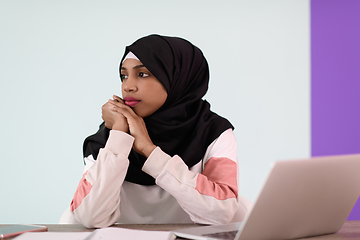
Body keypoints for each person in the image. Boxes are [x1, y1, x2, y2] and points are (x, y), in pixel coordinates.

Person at [66, 34, 251, 228]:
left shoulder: (212, 132)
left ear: (177, 78)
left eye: (143, 74)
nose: (128, 86)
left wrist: (149, 150)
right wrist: (119, 136)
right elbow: (89, 216)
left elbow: (221, 212)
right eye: (124, 76)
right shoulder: (109, 136)